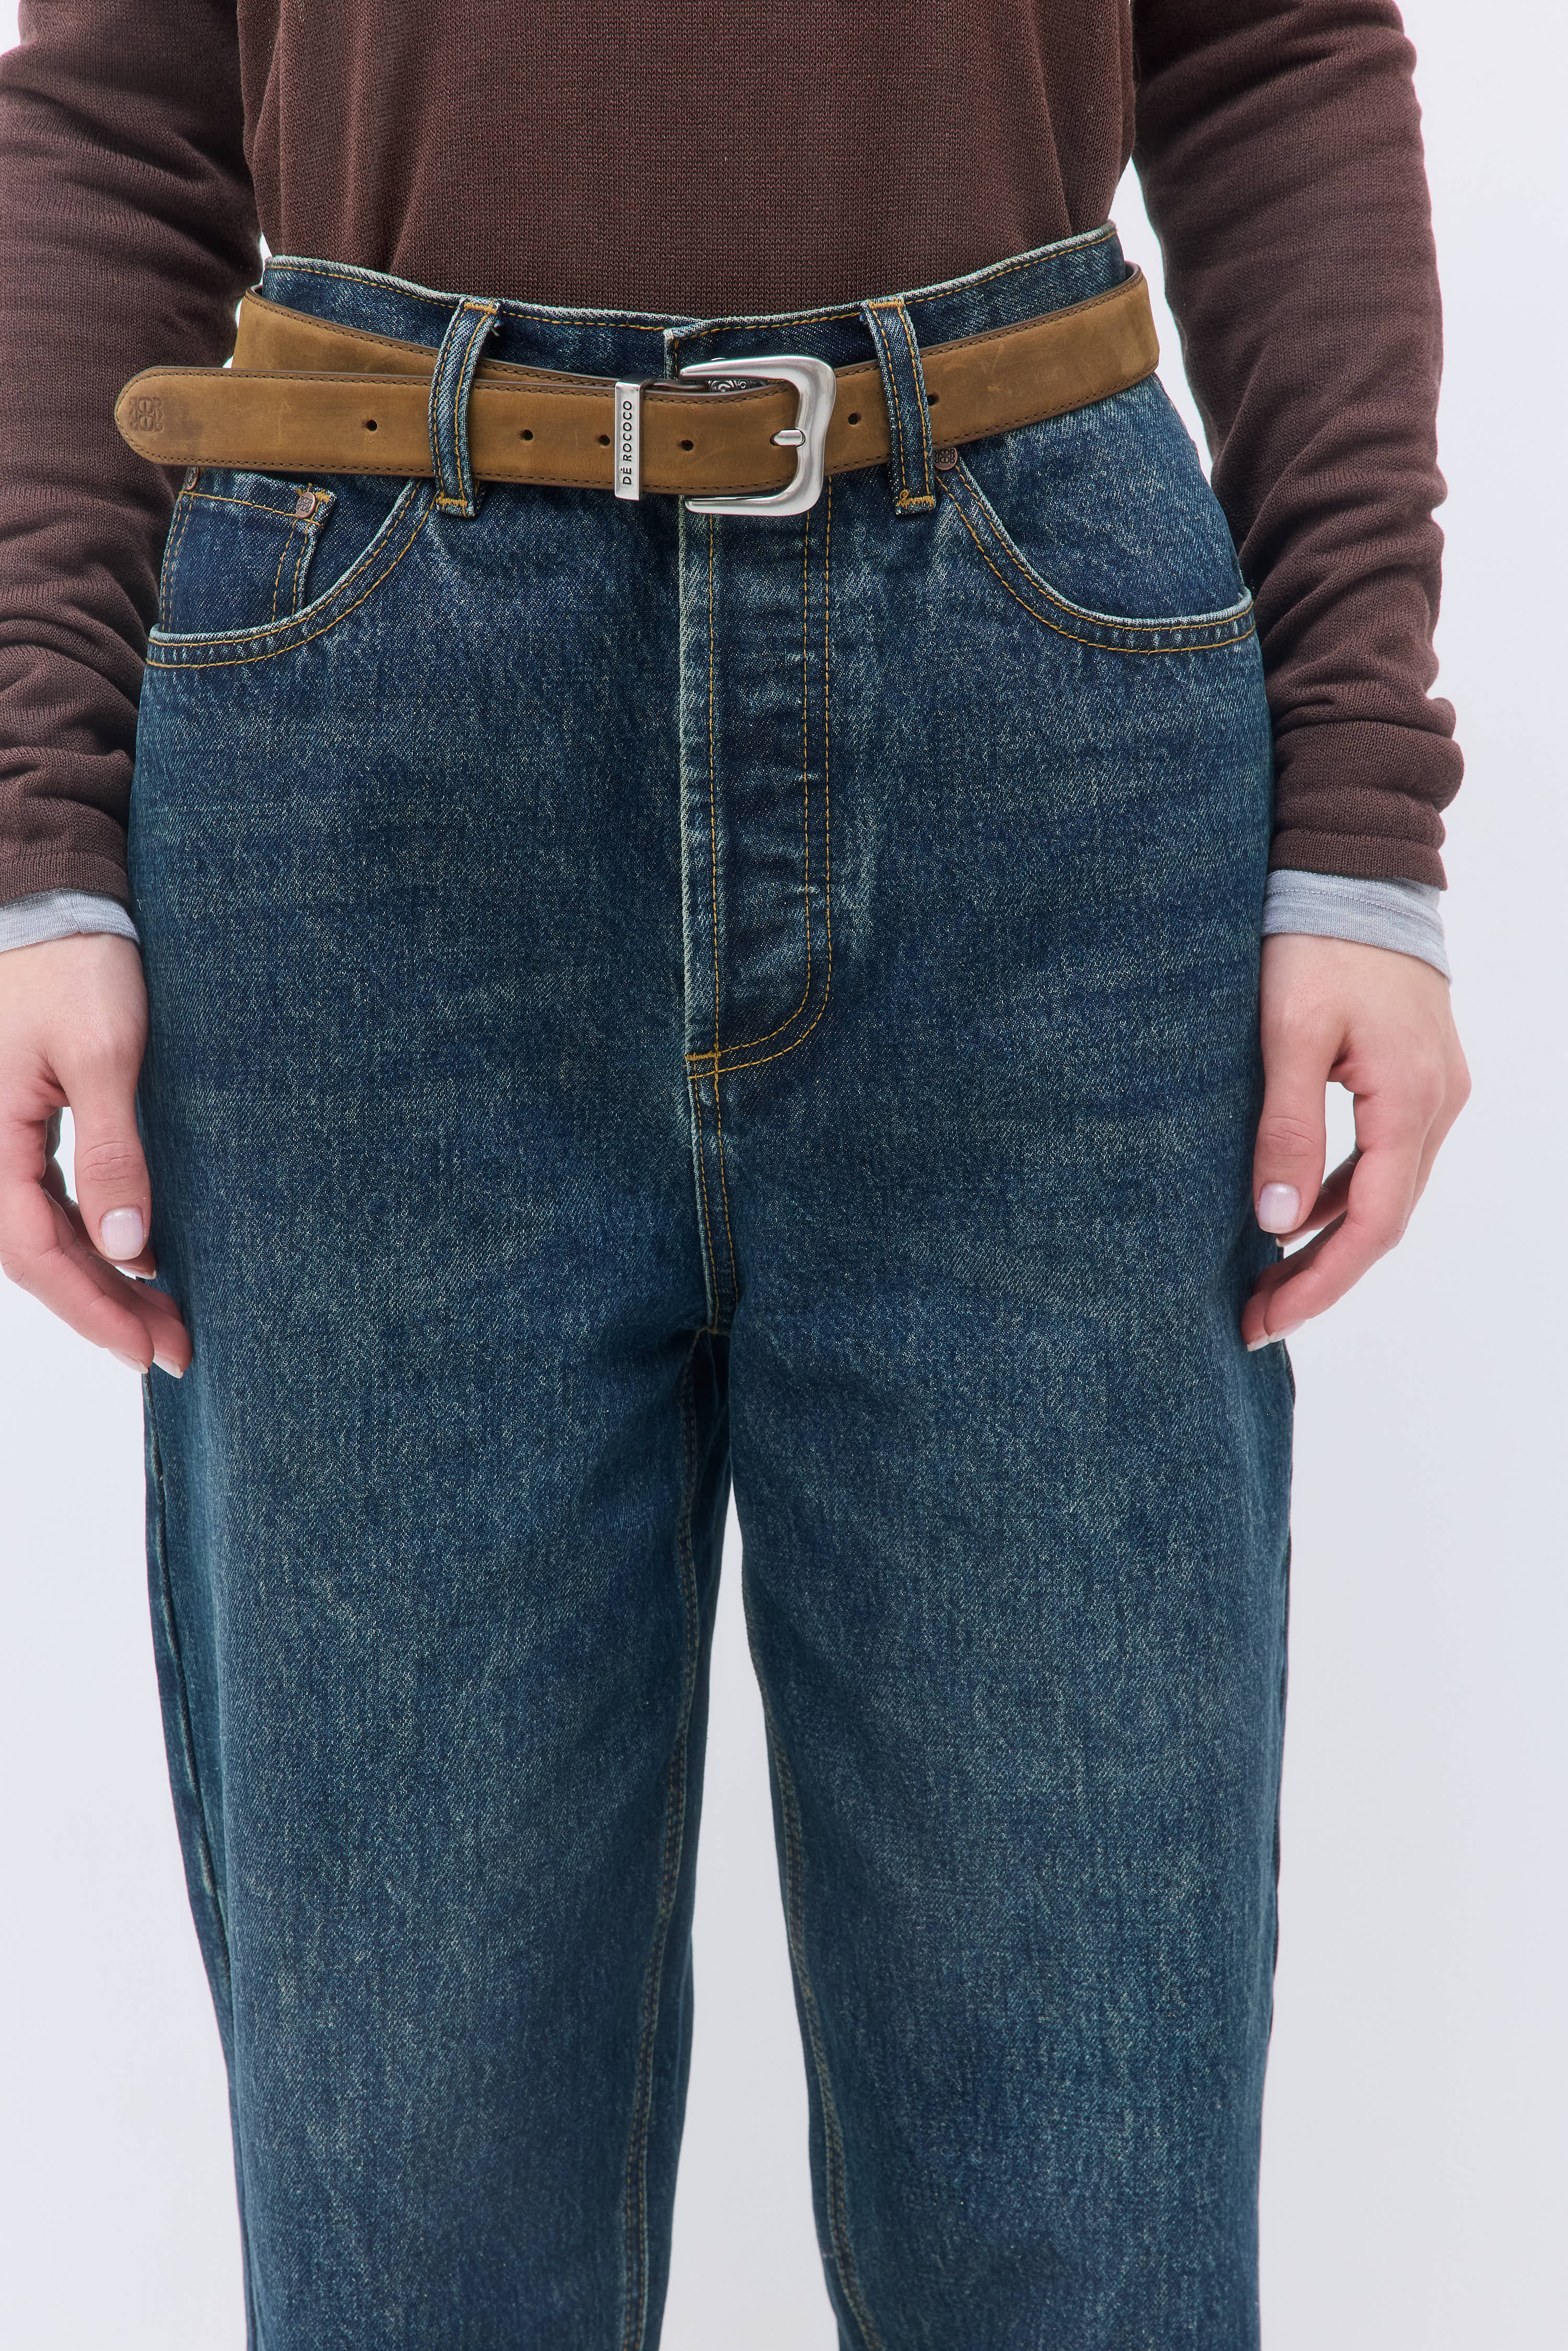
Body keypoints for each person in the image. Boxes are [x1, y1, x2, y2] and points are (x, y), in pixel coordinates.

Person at [0, 3, 1469, 2344]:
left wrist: (1367, 807)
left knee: (1082, 2202)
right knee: (413, 2224)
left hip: (1034, 744)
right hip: (371, 779)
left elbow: (1273, 47)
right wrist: (37, 832)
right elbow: (120, 98)